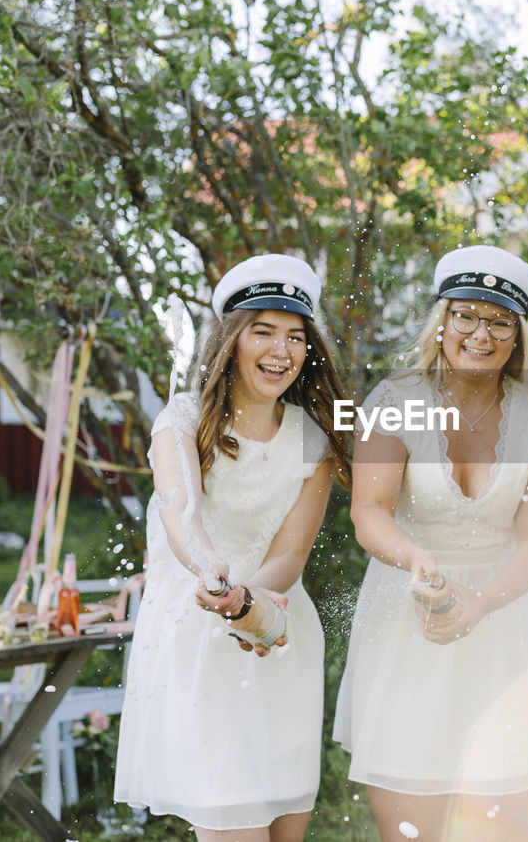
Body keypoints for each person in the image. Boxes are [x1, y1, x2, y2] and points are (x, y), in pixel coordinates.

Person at [334, 245, 528, 840]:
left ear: (517, 338)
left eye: (498, 322)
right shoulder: (392, 401)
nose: (479, 334)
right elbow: (369, 511)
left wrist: (482, 602)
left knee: (501, 824)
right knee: (409, 825)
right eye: (465, 315)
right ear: (441, 322)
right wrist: (419, 561)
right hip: (408, 617)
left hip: (508, 619)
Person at [114, 254, 351, 842]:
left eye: (295, 336)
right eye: (263, 331)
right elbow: (181, 513)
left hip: (277, 625)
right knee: (233, 826)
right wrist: (212, 571)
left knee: (285, 829)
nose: (281, 350)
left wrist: (255, 606)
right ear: (231, 338)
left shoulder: (314, 438)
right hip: (200, 635)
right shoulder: (181, 421)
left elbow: (292, 552)